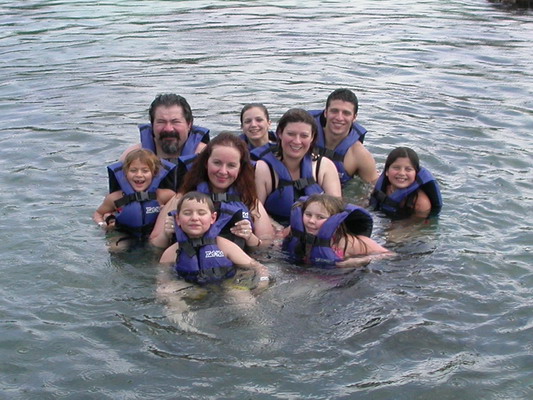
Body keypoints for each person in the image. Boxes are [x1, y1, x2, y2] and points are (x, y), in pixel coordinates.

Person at [157, 192, 271, 327]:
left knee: (240, 297)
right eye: (187, 213)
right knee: (167, 292)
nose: (194, 218)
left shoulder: (223, 245)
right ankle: (186, 326)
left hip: (227, 283)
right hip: (191, 287)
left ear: (213, 218)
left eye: (201, 213)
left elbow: (257, 267)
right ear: (178, 219)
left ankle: (259, 330)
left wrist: (262, 283)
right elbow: (162, 280)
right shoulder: (171, 252)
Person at [150, 132, 274, 249]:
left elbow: (267, 244)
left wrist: (250, 237)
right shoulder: (182, 198)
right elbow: (153, 242)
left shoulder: (249, 200)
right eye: (217, 163)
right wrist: (165, 235)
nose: (223, 171)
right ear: (206, 163)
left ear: (240, 168)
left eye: (231, 165)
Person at [254, 108, 342, 228]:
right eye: (291, 134)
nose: (297, 141)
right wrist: (279, 230)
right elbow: (256, 212)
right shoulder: (263, 169)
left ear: (312, 138)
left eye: (304, 136)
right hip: (277, 232)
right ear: (280, 134)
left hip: (315, 229)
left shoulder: (324, 167)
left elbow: (336, 212)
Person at [119, 93, 210, 190]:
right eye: (161, 122)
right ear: (152, 125)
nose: (168, 129)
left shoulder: (206, 156)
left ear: (189, 125)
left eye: (175, 122)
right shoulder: (129, 157)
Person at [93, 149, 176, 251]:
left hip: (152, 234)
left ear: (154, 173)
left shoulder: (163, 195)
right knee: (115, 248)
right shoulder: (115, 198)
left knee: (157, 248)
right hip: (125, 233)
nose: (139, 175)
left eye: (145, 171)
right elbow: (98, 213)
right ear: (125, 173)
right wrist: (103, 224)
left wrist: (166, 210)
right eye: (133, 170)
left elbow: (179, 204)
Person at [283, 194, 391, 268]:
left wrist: (359, 261)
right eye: (308, 214)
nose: (311, 221)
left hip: (336, 281)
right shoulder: (292, 233)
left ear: (335, 220)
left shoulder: (348, 242)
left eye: (320, 217)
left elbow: (389, 255)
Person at [308, 88, 378, 185]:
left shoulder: (360, 155)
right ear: (325, 113)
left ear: (354, 117)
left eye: (346, 113)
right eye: (334, 111)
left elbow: (374, 189)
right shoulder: (305, 137)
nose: (339, 118)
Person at [370, 146, 442, 219]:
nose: (402, 173)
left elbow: (417, 226)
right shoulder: (382, 187)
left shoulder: (420, 203)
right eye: (396, 168)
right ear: (387, 171)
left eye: (408, 169)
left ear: (416, 174)